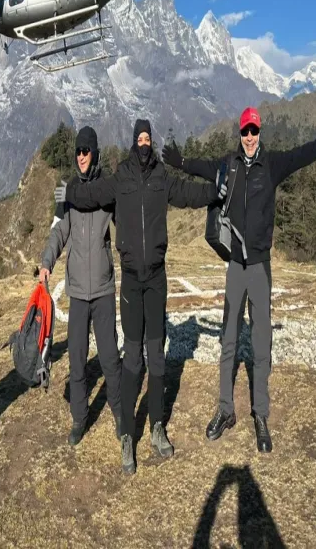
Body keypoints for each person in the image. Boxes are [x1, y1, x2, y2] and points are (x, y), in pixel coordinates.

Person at [162, 107, 316, 453]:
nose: (250, 137)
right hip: (235, 267)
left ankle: (261, 414)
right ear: (239, 133)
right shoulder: (230, 164)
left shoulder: (273, 164)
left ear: (260, 132)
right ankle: (225, 410)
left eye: (254, 130)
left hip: (260, 268)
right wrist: (179, 161)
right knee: (228, 339)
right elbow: (202, 167)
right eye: (245, 131)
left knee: (261, 342)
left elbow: (303, 155)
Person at [55, 119, 221, 474]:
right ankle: (128, 434)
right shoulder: (121, 177)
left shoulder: (162, 178)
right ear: (133, 142)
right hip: (130, 281)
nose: (144, 143)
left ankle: (157, 426)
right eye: (139, 138)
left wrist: (215, 192)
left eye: (148, 138)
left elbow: (189, 195)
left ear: (152, 141)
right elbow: (91, 194)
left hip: (157, 279)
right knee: (132, 360)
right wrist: (68, 192)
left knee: (156, 359)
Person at [40, 126, 121, 446]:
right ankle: (79, 418)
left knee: (111, 357)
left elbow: (124, 224)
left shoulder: (105, 189)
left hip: (102, 288)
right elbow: (58, 232)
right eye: (78, 151)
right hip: (77, 290)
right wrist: (47, 261)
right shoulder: (69, 190)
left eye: (86, 151)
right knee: (76, 357)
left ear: (95, 152)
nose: (81, 156)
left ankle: (119, 415)